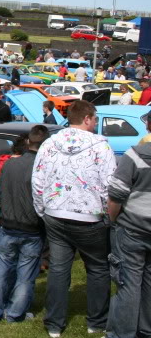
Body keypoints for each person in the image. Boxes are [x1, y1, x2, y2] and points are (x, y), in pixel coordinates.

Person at [32, 100, 116, 337]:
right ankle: (96, 322)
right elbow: (109, 187)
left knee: (59, 269)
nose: (96, 124)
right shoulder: (101, 146)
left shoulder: (49, 143)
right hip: (89, 217)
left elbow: (37, 182)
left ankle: (54, 324)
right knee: (98, 268)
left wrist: (43, 210)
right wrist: (108, 216)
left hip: (56, 214)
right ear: (87, 119)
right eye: (95, 119)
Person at [0, 125, 50, 324]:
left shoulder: (9, 164)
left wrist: (3, 217)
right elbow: (43, 200)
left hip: (10, 226)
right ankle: (14, 314)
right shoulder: (41, 167)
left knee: (2, 273)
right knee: (25, 276)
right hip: (29, 228)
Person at [105, 113, 151, 338]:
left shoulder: (134, 154)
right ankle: (145, 330)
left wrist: (113, 220)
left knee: (128, 283)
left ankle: (122, 333)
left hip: (132, 228)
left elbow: (116, 196)